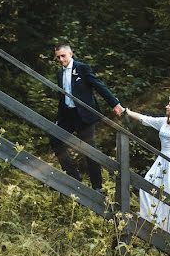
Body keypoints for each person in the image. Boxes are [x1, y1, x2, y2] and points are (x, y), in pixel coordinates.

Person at [51, 43, 124, 191]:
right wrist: (59, 118)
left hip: (84, 115)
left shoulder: (82, 68)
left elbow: (98, 85)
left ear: (71, 53)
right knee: (55, 139)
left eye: (63, 56)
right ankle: (73, 175)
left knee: (89, 150)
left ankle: (98, 187)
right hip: (68, 115)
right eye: (58, 57)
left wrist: (115, 104)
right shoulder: (60, 73)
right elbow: (62, 97)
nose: (61, 59)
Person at [121, 96, 170, 239]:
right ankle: (151, 222)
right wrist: (127, 112)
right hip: (161, 161)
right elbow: (145, 119)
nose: (166, 107)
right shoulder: (163, 122)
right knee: (147, 186)